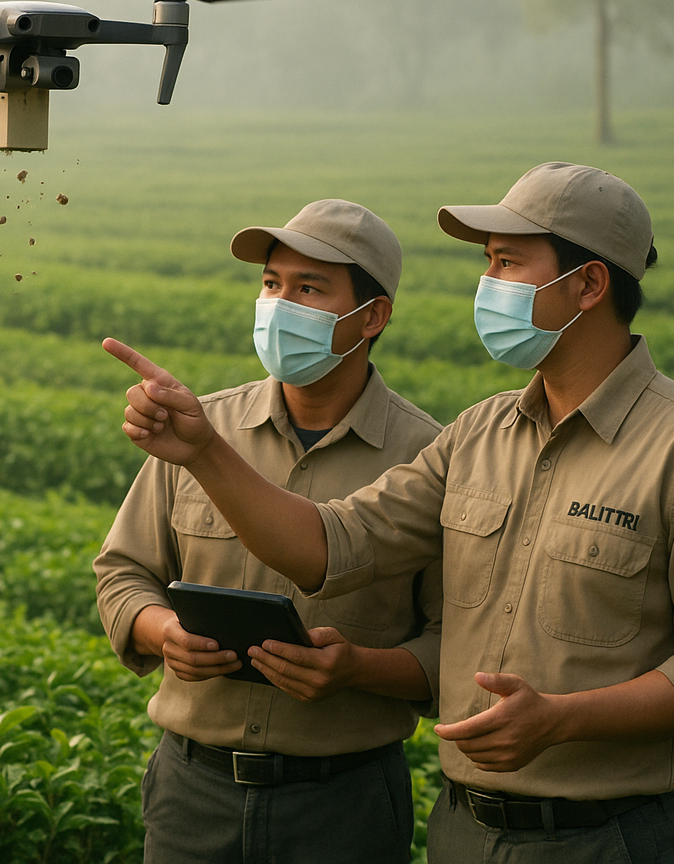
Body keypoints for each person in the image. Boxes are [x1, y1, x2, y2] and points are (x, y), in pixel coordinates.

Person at [104, 162, 674, 863]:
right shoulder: (477, 435)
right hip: (462, 832)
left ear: (589, 284)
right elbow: (330, 545)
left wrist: (563, 720)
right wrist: (204, 451)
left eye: (507, 263)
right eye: (488, 264)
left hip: (608, 839)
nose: (488, 285)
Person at [95, 199, 444, 864]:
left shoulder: (425, 456)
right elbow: (123, 571)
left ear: (372, 317)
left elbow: (457, 639)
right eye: (271, 284)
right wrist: (163, 633)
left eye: (310, 289)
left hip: (343, 804)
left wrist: (359, 670)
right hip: (193, 791)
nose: (281, 305)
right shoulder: (201, 429)